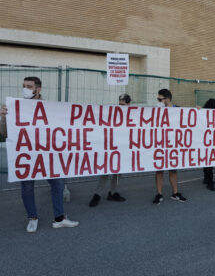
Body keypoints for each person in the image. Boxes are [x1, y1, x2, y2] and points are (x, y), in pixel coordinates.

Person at [0, 76, 79, 232]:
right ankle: (32, 218)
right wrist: (3, 118)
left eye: (29, 86)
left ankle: (59, 218)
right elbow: (4, 133)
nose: (25, 89)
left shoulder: (49, 108)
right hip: (27, 155)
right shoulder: (15, 107)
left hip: (48, 155)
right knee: (27, 186)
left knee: (58, 183)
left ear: (38, 89)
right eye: (24, 86)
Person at [89, 94, 131, 207]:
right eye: (119, 104)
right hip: (111, 146)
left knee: (118, 171)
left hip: (123, 147)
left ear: (128, 104)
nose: (120, 107)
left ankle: (112, 192)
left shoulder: (132, 115)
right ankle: (97, 194)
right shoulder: (114, 113)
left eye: (123, 104)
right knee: (106, 171)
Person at [153, 89, 187, 204]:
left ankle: (175, 193)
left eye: (160, 99)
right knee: (159, 171)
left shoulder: (178, 110)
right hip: (160, 144)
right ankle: (159, 194)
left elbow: (191, 117)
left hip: (173, 145)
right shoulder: (156, 111)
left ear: (167, 99)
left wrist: (198, 110)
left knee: (173, 170)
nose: (158, 101)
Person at [202, 98, 215, 191]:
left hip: (204, 141)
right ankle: (210, 182)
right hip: (210, 141)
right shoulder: (214, 115)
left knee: (206, 162)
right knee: (210, 162)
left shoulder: (203, 113)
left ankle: (206, 178)